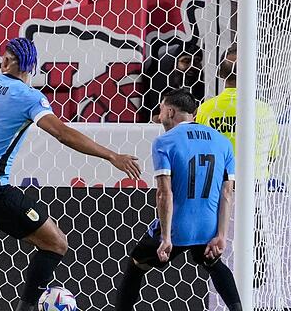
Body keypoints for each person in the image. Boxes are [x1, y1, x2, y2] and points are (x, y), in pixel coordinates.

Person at [0, 31, 141, 311]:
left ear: (6, 62)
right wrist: (112, 155)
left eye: (6, 58)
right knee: (55, 244)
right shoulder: (29, 97)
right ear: (32, 67)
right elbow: (63, 133)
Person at [114, 88, 242, 311]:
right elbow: (227, 194)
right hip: (208, 228)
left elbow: (164, 193)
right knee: (212, 261)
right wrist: (221, 235)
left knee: (137, 264)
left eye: (161, 110)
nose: (159, 115)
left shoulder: (165, 142)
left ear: (171, 112)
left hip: (177, 228)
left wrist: (165, 237)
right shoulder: (223, 142)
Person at [195, 44, 279, 288]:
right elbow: (271, 154)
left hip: (215, 189)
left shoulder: (207, 109)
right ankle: (254, 285)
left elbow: (200, 149)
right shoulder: (263, 110)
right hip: (251, 188)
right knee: (254, 243)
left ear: (222, 73)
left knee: (215, 249)